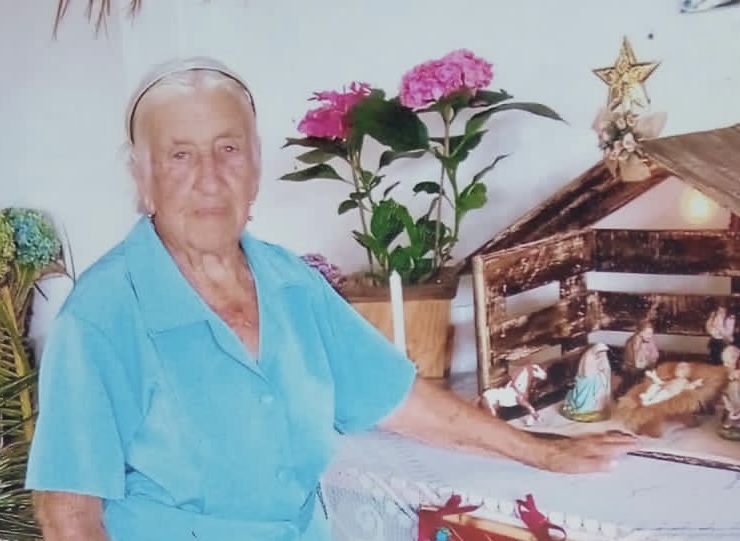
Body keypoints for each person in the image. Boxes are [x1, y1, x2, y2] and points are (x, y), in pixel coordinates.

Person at [25, 57, 636, 541]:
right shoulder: (102, 316)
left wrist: (541, 452)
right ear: (143, 178)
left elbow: (397, 397)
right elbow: (68, 515)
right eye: (179, 155)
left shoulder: (290, 284)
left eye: (228, 149)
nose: (208, 177)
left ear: (255, 165)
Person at [561, 343, 612, 422]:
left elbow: (605, 367)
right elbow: (586, 373)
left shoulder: (601, 357)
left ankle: (596, 407)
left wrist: (603, 372)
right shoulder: (587, 358)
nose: (601, 356)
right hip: (587, 382)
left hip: (596, 380)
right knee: (586, 393)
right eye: (599, 353)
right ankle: (584, 408)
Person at [618, 320, 661, 397]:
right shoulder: (632, 342)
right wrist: (644, 356)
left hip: (645, 365)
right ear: (640, 333)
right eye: (648, 333)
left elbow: (655, 354)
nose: (650, 336)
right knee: (630, 381)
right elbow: (634, 362)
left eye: (651, 333)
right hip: (633, 367)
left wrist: (649, 358)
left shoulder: (649, 340)